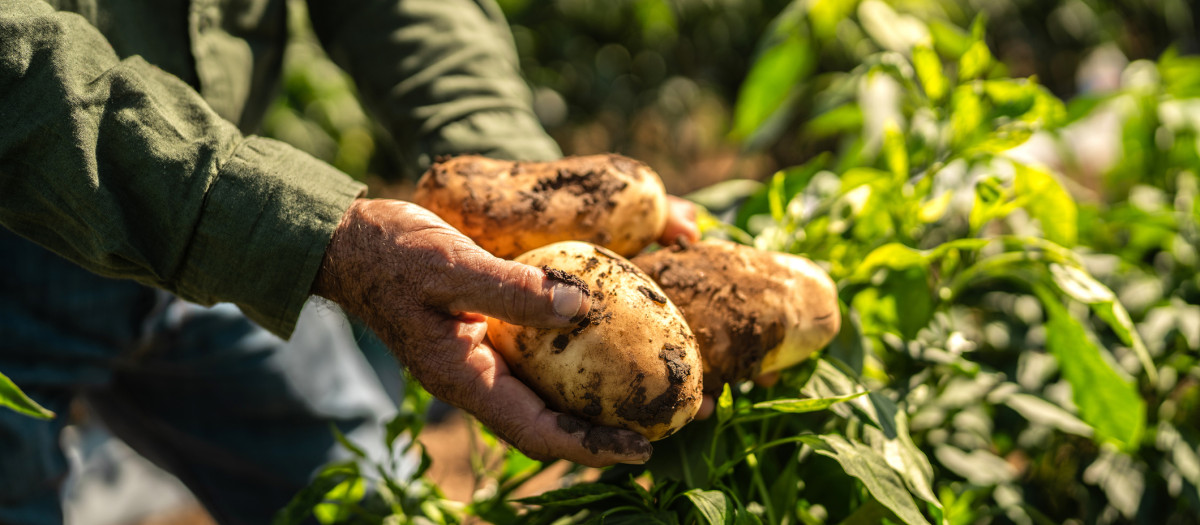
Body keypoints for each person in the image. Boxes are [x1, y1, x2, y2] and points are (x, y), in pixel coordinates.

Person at [0, 0, 700, 523]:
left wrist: (514, 180)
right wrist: (322, 237)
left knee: (366, 495)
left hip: (220, 235)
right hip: (50, 229)